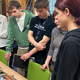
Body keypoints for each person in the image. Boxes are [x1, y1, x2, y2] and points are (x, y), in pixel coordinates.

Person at [50, 0, 80, 80]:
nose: (56, 17)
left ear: (66, 11)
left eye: (57, 13)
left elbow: (65, 76)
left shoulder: (71, 42)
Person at [21, 0, 56, 65]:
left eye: (41, 11)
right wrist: (36, 45)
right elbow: (29, 36)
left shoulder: (52, 22)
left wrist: (29, 53)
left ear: (47, 8)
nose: (38, 13)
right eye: (37, 10)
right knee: (28, 73)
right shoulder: (34, 19)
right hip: (31, 51)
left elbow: (43, 42)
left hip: (42, 55)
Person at [5, 0, 34, 77]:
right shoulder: (11, 19)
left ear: (20, 8)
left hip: (32, 49)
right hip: (20, 49)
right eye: (11, 12)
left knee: (32, 73)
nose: (13, 14)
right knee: (20, 74)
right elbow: (10, 35)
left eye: (14, 11)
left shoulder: (31, 17)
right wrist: (8, 49)